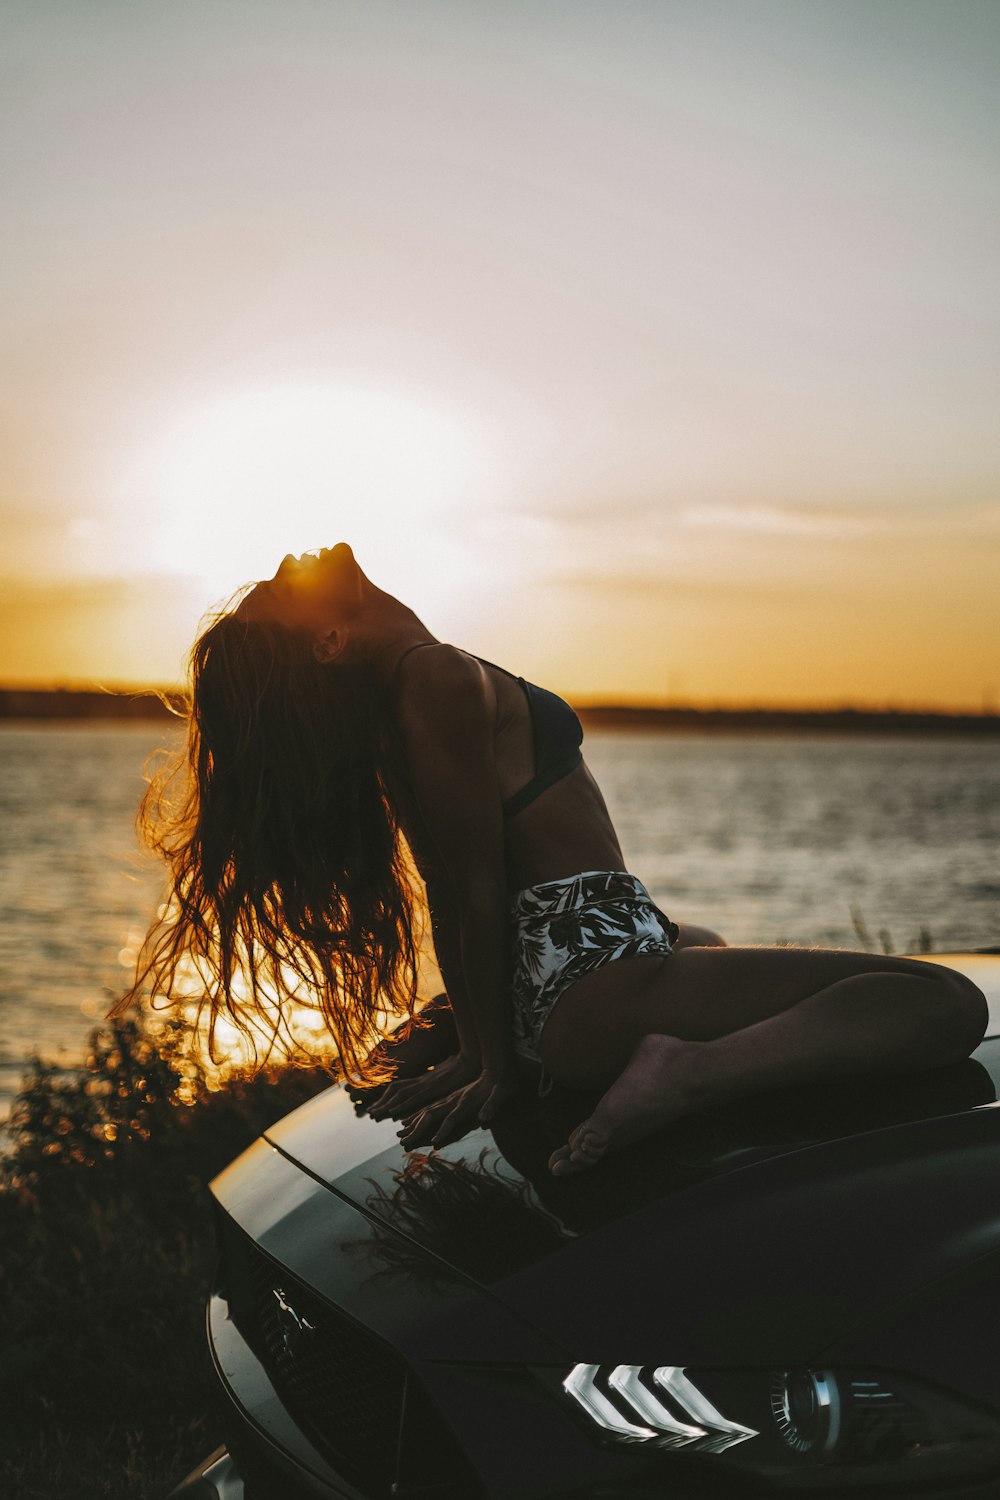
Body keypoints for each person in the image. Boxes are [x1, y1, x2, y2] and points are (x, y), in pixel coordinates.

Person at [129, 543, 988, 1175]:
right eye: (280, 592)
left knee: (709, 940)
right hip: (582, 970)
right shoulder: (429, 674)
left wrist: (479, 1033)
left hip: (575, 962)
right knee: (945, 1003)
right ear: (326, 640)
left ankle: (615, 1041)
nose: (289, 560)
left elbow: (450, 878)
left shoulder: (406, 696)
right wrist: (494, 1066)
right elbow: (468, 883)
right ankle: (686, 1074)